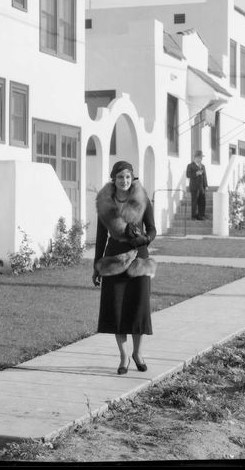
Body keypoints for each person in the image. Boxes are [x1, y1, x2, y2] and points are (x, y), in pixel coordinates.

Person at [92, 160, 156, 375]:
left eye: (128, 177)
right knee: (117, 310)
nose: (124, 181)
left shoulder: (142, 199)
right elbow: (101, 239)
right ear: (114, 178)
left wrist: (144, 240)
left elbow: (153, 229)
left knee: (138, 309)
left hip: (139, 258)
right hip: (114, 261)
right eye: (120, 177)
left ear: (132, 178)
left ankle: (138, 353)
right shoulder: (105, 204)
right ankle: (123, 356)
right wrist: (96, 266)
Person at [186, 150, 208, 220]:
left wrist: (206, 185)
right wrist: (196, 173)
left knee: (202, 202)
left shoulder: (203, 166)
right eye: (199, 157)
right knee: (194, 202)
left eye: (201, 158)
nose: (201, 159)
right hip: (194, 187)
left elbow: (205, 176)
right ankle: (194, 216)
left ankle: (201, 216)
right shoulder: (190, 165)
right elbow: (188, 175)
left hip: (202, 187)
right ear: (195, 157)